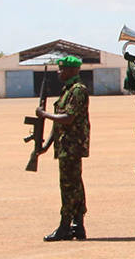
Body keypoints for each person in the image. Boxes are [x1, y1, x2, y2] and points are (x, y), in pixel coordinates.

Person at [35, 55, 90, 241]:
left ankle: (66, 225)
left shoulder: (78, 90)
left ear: (73, 70)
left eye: (62, 69)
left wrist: (44, 114)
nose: (59, 72)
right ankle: (77, 225)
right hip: (65, 144)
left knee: (69, 186)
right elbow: (58, 125)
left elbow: (68, 118)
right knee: (74, 185)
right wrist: (45, 145)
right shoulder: (68, 90)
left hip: (72, 145)